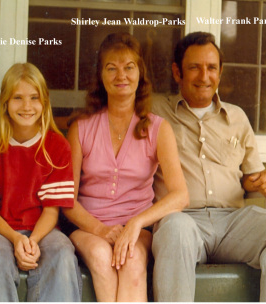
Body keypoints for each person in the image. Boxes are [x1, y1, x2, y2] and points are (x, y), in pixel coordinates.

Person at [151, 31, 266, 302]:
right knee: (176, 228)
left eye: (212, 68)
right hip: (182, 219)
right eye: (194, 68)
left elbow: (250, 178)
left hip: (232, 223)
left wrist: (264, 179)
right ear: (177, 72)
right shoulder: (154, 111)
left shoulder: (237, 117)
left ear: (220, 72)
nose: (204, 76)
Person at [63, 32, 189, 302]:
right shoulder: (81, 128)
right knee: (100, 257)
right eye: (112, 68)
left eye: (129, 67)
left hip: (137, 228)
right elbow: (67, 200)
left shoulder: (158, 128)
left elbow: (181, 195)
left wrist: (136, 224)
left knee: (131, 260)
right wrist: (101, 230)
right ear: (101, 76)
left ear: (140, 74)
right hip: (89, 228)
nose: (121, 75)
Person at [0, 63, 82, 302]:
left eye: (34, 98)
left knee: (62, 252)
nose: (27, 106)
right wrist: (16, 238)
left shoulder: (56, 146)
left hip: (42, 228)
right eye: (17, 98)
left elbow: (52, 211)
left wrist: (32, 241)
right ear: (5, 102)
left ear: (45, 103)